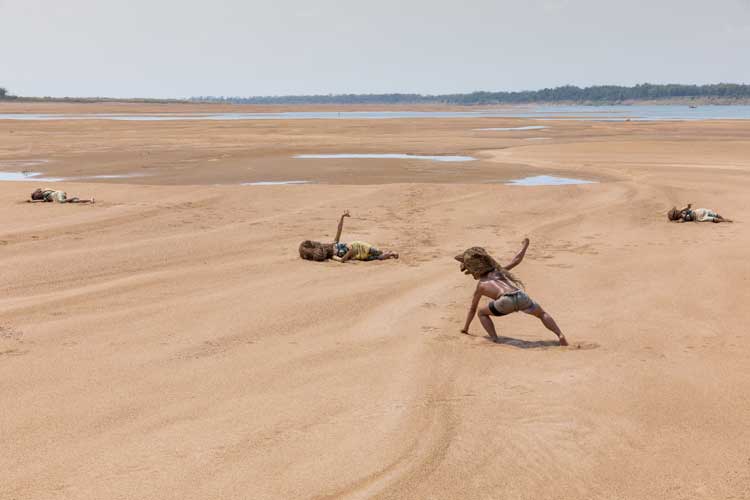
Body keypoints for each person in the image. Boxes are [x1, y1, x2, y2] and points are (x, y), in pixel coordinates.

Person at [456, 239, 568, 346]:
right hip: (521, 296)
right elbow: (516, 260)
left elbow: (472, 309)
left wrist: (466, 328)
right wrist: (525, 245)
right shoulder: (499, 271)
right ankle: (560, 335)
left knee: (481, 312)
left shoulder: (481, 286)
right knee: (542, 314)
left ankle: (495, 339)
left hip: (505, 301)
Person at [298, 210, 399, 262]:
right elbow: (342, 260)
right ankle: (390, 254)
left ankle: (390, 253)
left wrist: (342, 217)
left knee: (376, 252)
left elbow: (339, 230)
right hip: (356, 255)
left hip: (357, 245)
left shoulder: (334, 244)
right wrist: (349, 253)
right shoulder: (333, 256)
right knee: (376, 258)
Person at [667, 203, 731, 223]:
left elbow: (686, 208)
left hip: (698, 211)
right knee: (712, 218)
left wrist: (688, 207)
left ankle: (723, 218)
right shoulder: (682, 218)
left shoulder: (682, 211)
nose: (677, 210)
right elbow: (679, 221)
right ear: (676, 214)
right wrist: (675, 221)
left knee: (714, 214)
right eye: (676, 211)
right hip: (699, 217)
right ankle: (724, 220)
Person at [28, 188, 94, 204]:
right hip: (58, 195)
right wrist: (32, 201)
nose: (37, 196)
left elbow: (41, 200)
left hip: (58, 193)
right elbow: (41, 200)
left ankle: (73, 197)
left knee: (61, 201)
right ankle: (89, 200)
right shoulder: (45, 197)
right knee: (75, 201)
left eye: (36, 195)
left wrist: (32, 201)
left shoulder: (45, 192)